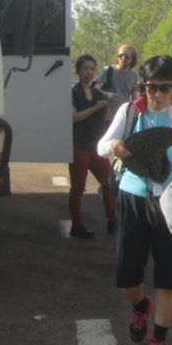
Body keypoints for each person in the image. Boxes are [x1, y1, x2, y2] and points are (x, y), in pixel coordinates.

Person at [98, 55, 172, 345]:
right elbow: (102, 145)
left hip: (171, 203)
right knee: (128, 275)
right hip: (132, 197)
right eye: (150, 87)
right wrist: (114, 145)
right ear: (142, 87)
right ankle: (141, 305)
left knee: (169, 275)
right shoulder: (130, 112)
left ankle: (159, 340)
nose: (157, 94)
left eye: (164, 87)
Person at [68, 55, 117, 239]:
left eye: (92, 69)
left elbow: (105, 117)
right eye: (85, 69)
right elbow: (73, 118)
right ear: (78, 71)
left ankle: (113, 220)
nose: (89, 72)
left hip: (95, 146)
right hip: (79, 145)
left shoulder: (97, 94)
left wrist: (105, 111)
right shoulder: (74, 93)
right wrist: (95, 109)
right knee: (78, 187)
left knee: (109, 183)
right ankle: (77, 224)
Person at [98, 44, 140, 118]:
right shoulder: (108, 70)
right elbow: (95, 89)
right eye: (121, 55)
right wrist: (107, 95)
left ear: (132, 59)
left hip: (122, 116)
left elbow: (135, 98)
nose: (123, 58)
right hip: (106, 115)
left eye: (127, 57)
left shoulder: (134, 75)